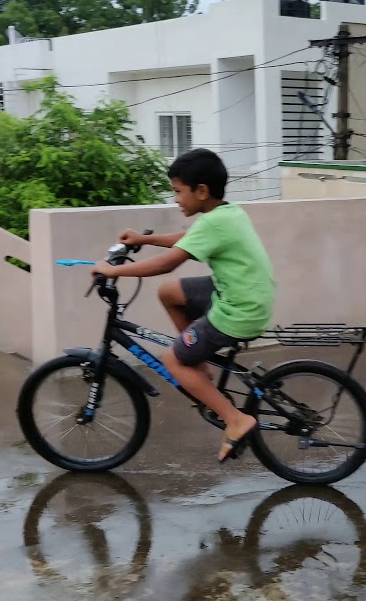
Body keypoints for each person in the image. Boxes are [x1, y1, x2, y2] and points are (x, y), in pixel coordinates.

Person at [92, 149, 275, 463]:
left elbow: (167, 263)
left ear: (201, 191)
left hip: (239, 310)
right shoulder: (227, 213)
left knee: (172, 362)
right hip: (245, 293)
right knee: (170, 293)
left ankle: (235, 420)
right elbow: (188, 238)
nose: (175, 199)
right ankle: (199, 365)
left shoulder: (214, 223)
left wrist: (112, 271)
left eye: (178, 191)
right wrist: (143, 240)